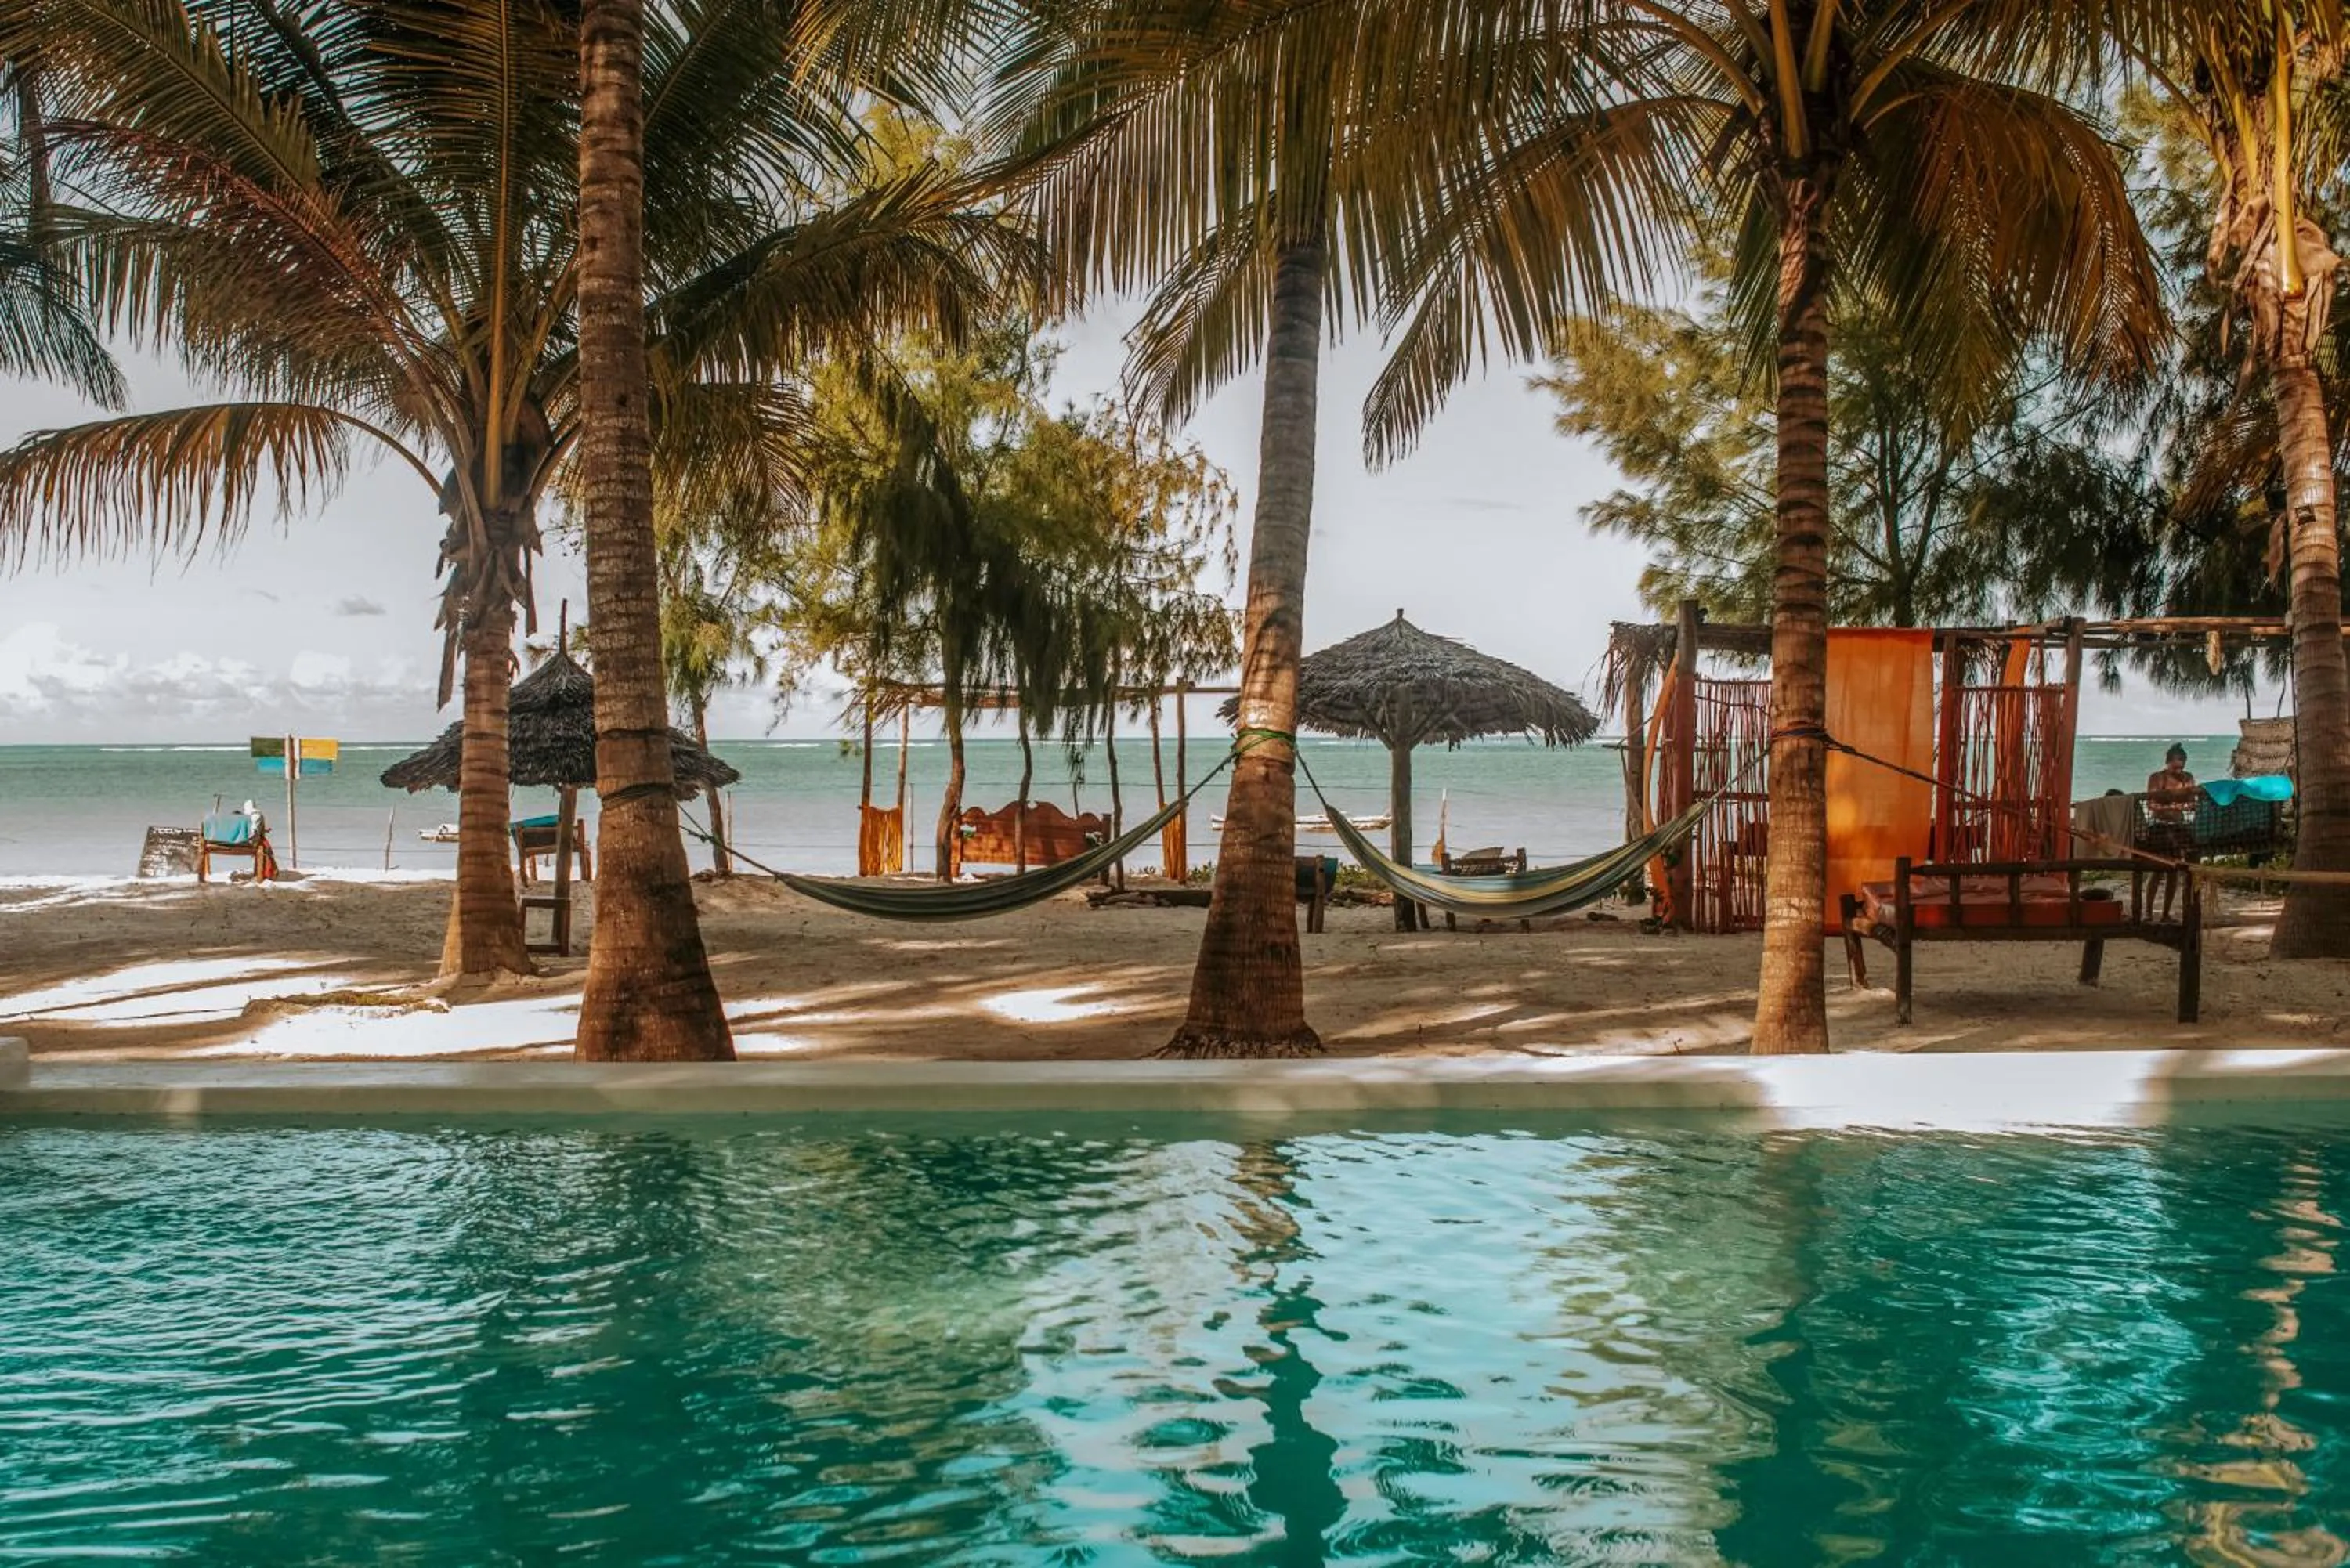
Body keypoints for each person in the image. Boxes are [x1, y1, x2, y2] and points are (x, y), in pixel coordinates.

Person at [2146, 743, 2198, 823]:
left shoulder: (2188, 778)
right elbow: (2150, 805)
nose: (2178, 771)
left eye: (2181, 768)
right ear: (2167, 762)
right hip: (2158, 822)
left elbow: (2192, 803)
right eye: (2175, 768)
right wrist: (2172, 807)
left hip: (2179, 822)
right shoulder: (2157, 777)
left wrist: (2187, 806)